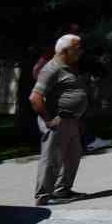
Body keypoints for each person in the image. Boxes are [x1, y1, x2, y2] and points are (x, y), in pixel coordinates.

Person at [31, 34, 88, 205]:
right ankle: (43, 196)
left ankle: (62, 191)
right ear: (65, 50)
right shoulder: (51, 68)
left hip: (71, 120)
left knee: (72, 157)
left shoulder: (68, 66)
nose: (80, 51)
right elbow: (35, 97)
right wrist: (48, 120)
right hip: (57, 120)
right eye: (77, 48)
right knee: (52, 159)